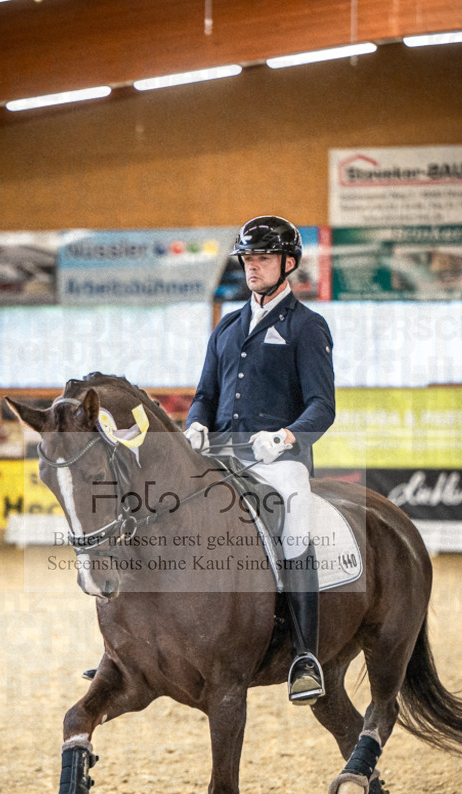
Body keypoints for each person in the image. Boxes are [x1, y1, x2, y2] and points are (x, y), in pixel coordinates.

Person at [184, 215, 336, 704]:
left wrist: (288, 436)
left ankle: (305, 656)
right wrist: (194, 423)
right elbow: (205, 394)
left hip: (279, 459)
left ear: (288, 264)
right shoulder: (227, 326)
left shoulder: (308, 327)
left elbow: (323, 407)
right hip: (223, 453)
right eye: (248, 259)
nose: (252, 267)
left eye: (263, 258)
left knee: (293, 518)